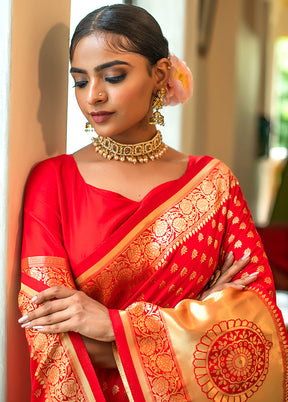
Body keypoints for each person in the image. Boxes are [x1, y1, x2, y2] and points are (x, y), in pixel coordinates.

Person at [18, 4, 288, 401]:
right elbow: (49, 337)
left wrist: (111, 325)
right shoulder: (52, 182)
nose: (94, 96)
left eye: (113, 76)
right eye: (79, 81)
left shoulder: (213, 183)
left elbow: (257, 326)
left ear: (160, 74)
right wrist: (198, 315)